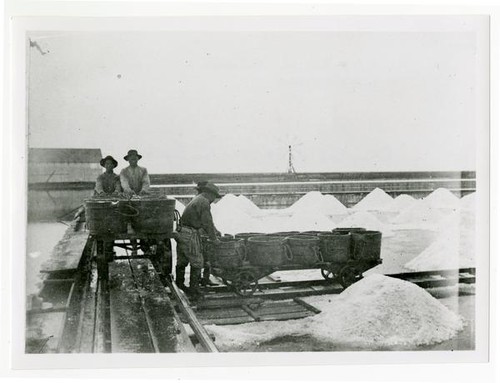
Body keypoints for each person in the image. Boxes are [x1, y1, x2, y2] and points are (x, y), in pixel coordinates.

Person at [175, 182, 222, 299]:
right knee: (197, 261)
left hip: (182, 231)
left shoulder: (198, 199)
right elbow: (207, 223)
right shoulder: (204, 202)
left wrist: (215, 231)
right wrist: (214, 239)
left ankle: (179, 283)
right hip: (190, 233)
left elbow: (205, 221)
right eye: (214, 197)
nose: (213, 200)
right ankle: (194, 290)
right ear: (209, 194)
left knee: (183, 260)